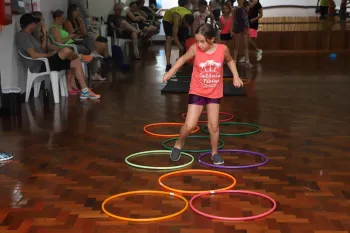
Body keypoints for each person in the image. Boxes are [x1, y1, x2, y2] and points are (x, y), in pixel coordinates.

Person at [162, 24, 243, 164]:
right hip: (197, 90)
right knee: (190, 125)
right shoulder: (195, 49)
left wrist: (236, 76)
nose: (199, 44)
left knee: (214, 126)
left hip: (214, 92)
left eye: (202, 41)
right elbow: (182, 59)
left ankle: (214, 153)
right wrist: (170, 72)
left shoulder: (223, 49)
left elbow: (230, 60)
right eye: (197, 41)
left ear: (212, 39)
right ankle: (179, 144)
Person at [16, 13, 100, 100]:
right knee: (66, 50)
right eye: (35, 23)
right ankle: (81, 56)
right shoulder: (22, 36)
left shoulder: (31, 35)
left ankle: (85, 91)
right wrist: (49, 54)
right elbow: (33, 55)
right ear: (30, 24)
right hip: (40, 64)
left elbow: (43, 48)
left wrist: (44, 34)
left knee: (76, 62)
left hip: (46, 61)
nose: (36, 25)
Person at [162, 0, 195, 71]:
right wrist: (180, 46)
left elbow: (192, 31)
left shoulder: (190, 15)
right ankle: (168, 64)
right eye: (187, 25)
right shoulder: (177, 18)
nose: (187, 27)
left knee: (183, 40)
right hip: (168, 20)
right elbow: (175, 36)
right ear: (184, 21)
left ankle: (181, 62)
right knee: (169, 39)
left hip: (182, 19)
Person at [232, 0, 258, 68]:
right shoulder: (234, 8)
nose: (239, 0)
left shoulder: (246, 7)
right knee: (236, 45)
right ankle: (234, 61)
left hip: (245, 27)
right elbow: (233, 20)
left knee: (246, 44)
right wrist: (232, 30)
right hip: (237, 27)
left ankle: (247, 61)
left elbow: (255, 2)